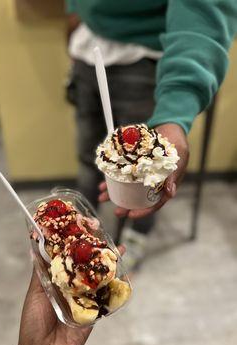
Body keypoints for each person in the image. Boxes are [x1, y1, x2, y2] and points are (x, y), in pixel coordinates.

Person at [65, 0, 237, 263]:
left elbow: (204, 12)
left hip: (145, 60)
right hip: (88, 47)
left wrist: (175, 112)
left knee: (147, 176)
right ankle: (82, 232)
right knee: (89, 159)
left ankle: (136, 236)